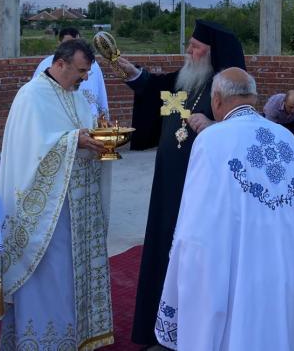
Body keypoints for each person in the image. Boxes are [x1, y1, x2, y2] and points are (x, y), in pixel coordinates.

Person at [155, 68, 294, 350]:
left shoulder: (212, 140)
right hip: (287, 270)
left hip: (239, 273)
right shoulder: (287, 138)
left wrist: (183, 273)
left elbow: (195, 223)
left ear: (216, 100)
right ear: (253, 98)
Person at [115, 19, 245, 346]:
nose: (189, 50)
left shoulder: (227, 89)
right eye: (190, 44)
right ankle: (159, 326)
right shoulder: (188, 78)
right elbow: (159, 89)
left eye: (196, 47)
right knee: (164, 242)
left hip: (201, 185)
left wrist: (214, 125)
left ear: (214, 52)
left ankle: (192, 330)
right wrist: (133, 73)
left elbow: (242, 128)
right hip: (169, 180)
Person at [0, 38, 113, 350]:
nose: (84, 78)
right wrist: (74, 140)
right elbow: (29, 151)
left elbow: (84, 132)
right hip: (47, 212)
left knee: (70, 275)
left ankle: (73, 337)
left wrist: (99, 139)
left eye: (87, 72)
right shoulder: (31, 96)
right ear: (60, 63)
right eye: (80, 71)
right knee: (49, 274)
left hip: (78, 206)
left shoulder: (77, 96)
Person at [34, 27, 109, 119]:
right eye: (81, 71)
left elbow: (101, 96)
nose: (86, 77)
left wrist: (101, 121)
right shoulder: (32, 94)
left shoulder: (93, 66)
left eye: (77, 43)